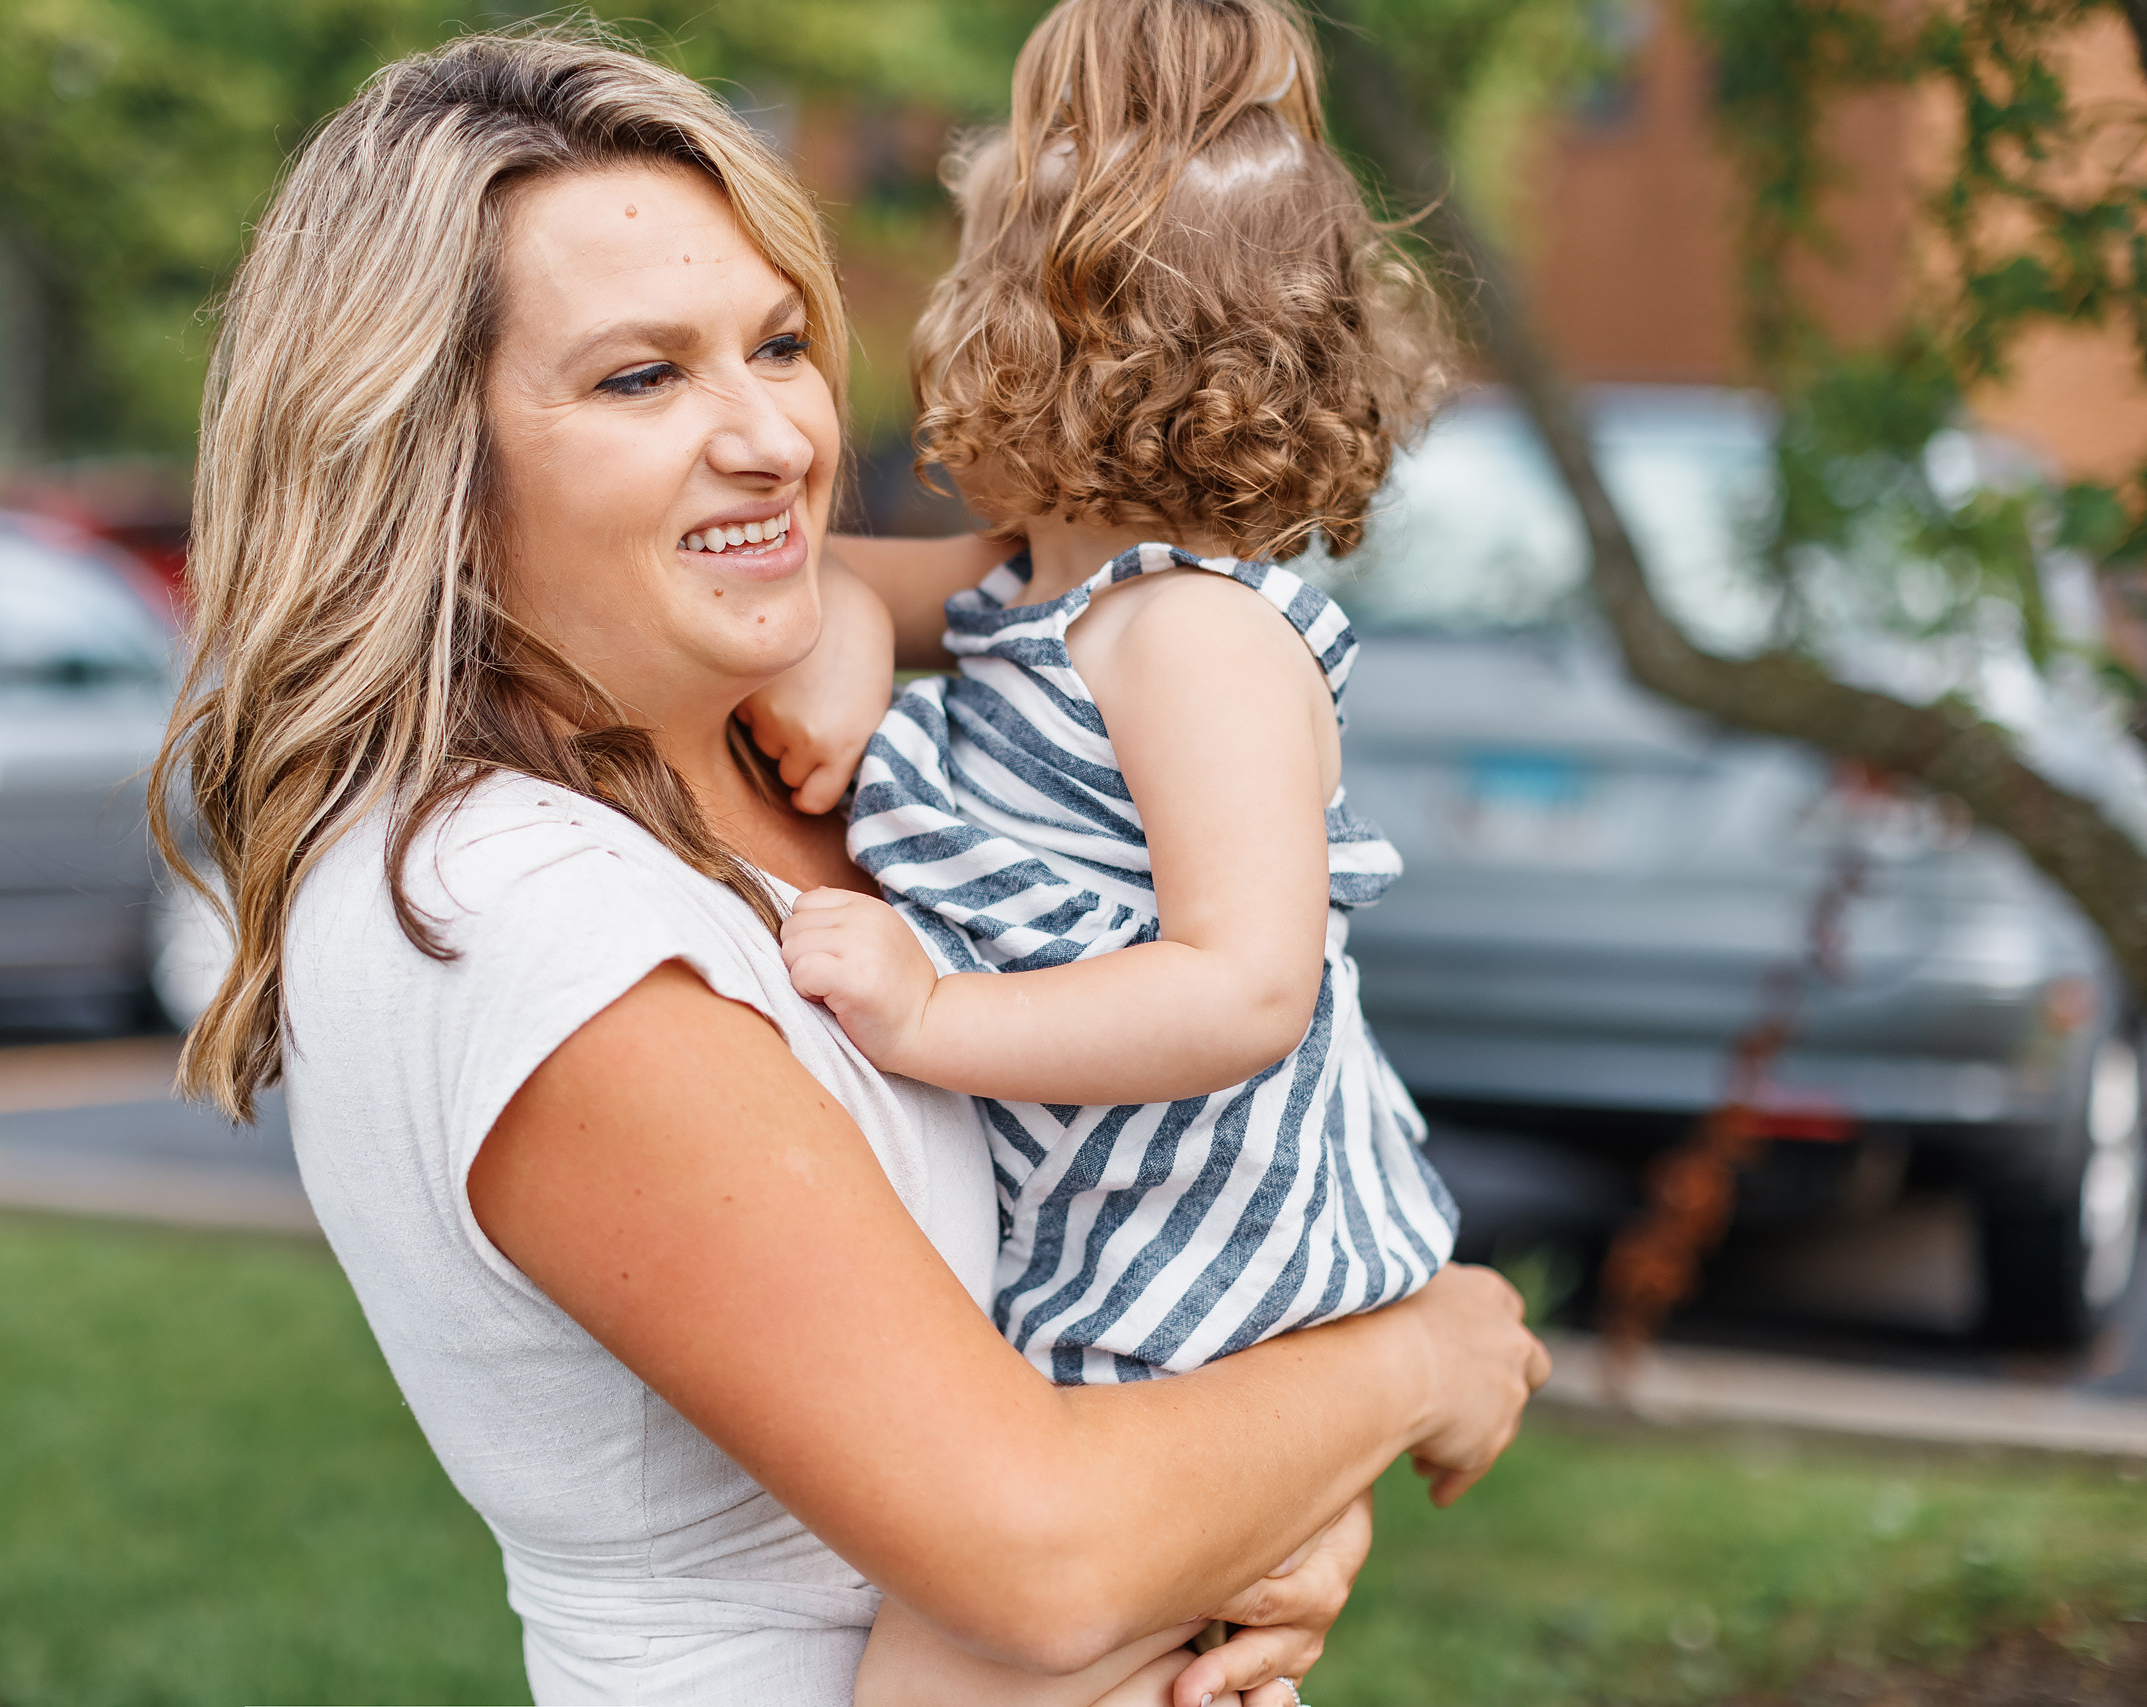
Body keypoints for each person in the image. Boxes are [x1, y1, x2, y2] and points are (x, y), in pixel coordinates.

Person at [155, 26, 1549, 1707]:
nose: (774, 440)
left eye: (783, 343)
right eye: (639, 377)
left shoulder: (811, 762)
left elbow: (1177, 1223)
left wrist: (1267, 1526)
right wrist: (1421, 1359)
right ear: (421, 463)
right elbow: (1042, 1555)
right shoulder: (516, 916)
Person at [737, 0, 1466, 1697]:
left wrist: (930, 1021)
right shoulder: (1030, 591)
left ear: (1030, 335)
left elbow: (1247, 989)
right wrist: (845, 686)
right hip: (1116, 1219)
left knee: (966, 1654)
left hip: (1193, 1242)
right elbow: (828, 585)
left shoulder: (1191, 636)